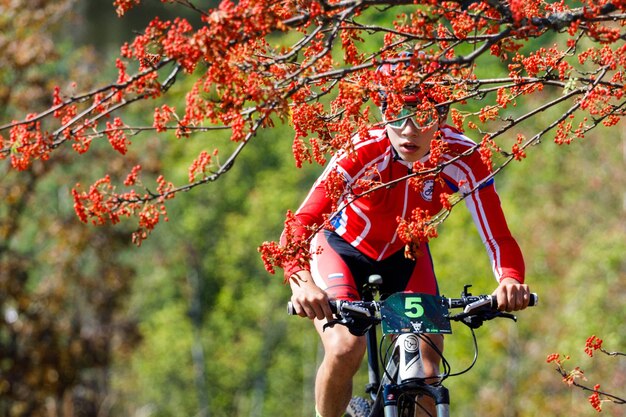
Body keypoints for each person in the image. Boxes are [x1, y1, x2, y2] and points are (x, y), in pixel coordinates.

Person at [282, 55, 531, 417]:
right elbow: (300, 224)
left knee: (428, 375)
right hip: (340, 250)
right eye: (397, 115)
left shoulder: (462, 156)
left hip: (407, 257)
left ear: (443, 116)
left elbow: (499, 236)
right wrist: (301, 282)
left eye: (425, 116)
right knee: (344, 349)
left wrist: (510, 280)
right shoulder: (361, 151)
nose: (410, 130)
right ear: (383, 113)